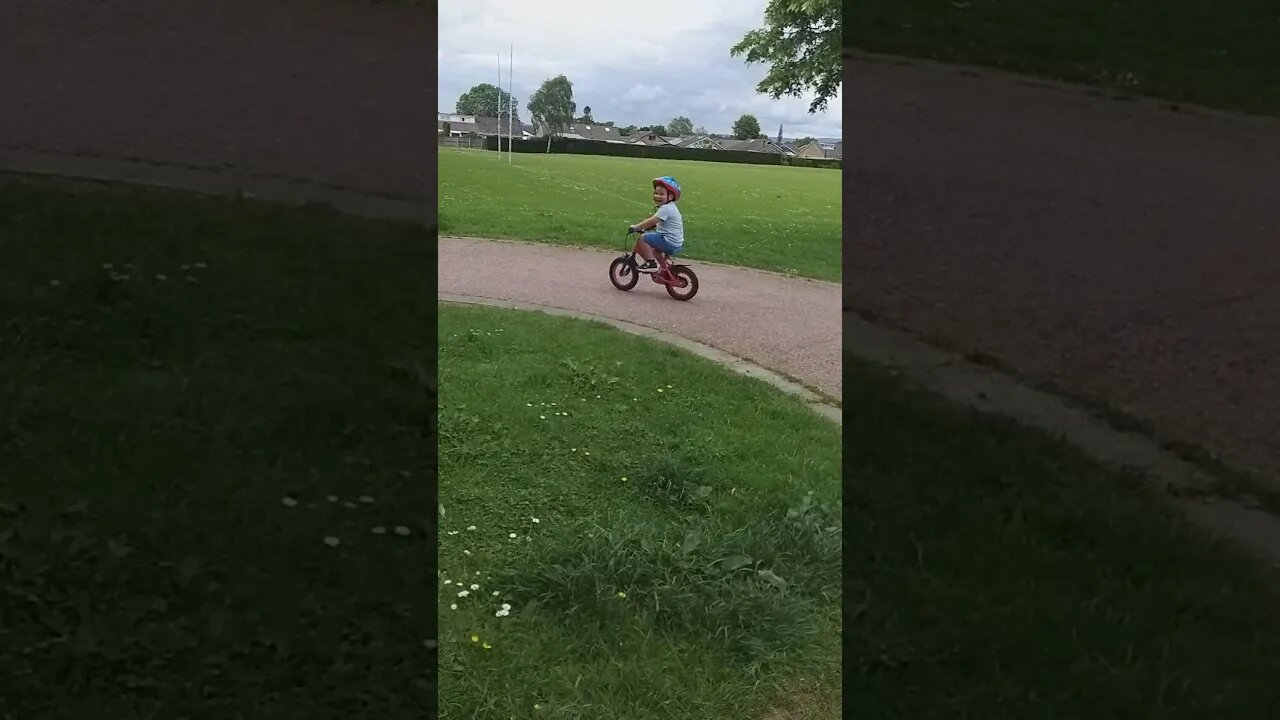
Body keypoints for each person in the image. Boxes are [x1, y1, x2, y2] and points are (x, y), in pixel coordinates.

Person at [628, 176, 684, 275]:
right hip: (676, 242)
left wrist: (637, 227)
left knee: (643, 238)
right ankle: (664, 271)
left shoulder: (665, 209)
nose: (657, 196)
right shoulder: (671, 207)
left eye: (661, 194)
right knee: (655, 251)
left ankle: (651, 263)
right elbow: (662, 223)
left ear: (671, 196)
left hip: (668, 241)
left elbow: (653, 220)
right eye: (656, 193)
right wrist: (652, 227)